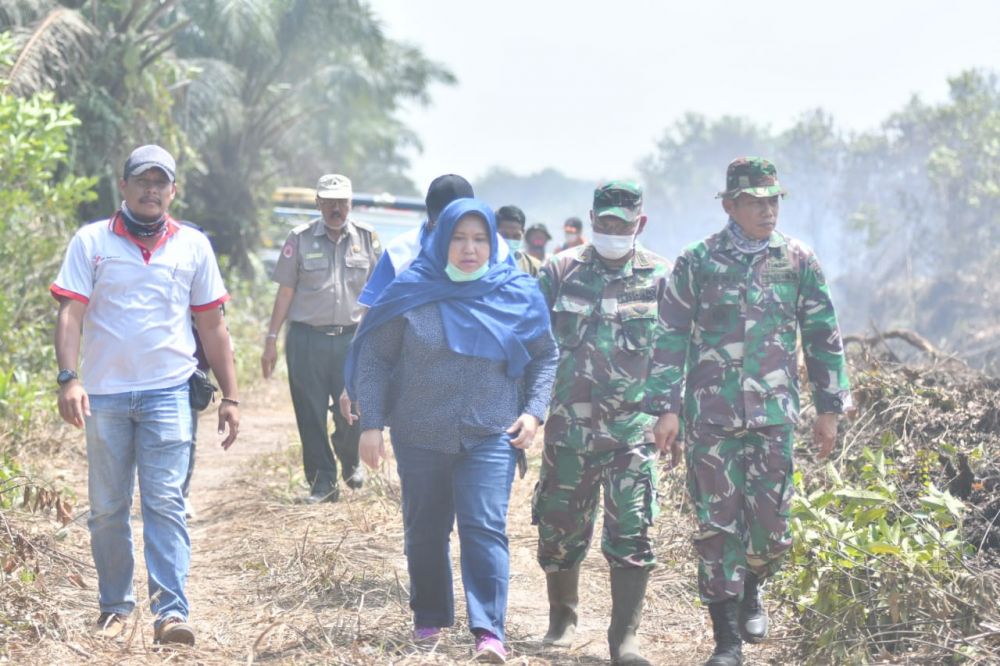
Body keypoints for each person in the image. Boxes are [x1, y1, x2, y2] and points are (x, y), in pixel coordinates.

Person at [659, 158, 853, 666]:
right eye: (755, 201)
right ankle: (726, 642)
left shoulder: (797, 260)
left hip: (772, 416)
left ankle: (751, 588)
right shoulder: (697, 261)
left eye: (774, 200)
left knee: (772, 527)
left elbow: (822, 336)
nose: (767, 210)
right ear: (729, 206)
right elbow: (671, 337)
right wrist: (667, 410)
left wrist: (829, 410)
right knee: (715, 524)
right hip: (711, 417)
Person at [346, 198, 558, 663]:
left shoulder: (516, 291)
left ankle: (488, 632)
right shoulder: (411, 291)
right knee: (425, 529)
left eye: (480, 239)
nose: (469, 248)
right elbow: (376, 360)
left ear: (493, 242)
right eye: (459, 238)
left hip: (491, 431)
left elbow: (544, 355)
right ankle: (430, 619)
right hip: (419, 431)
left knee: (484, 528)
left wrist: (535, 412)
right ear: (441, 240)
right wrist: (372, 425)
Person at [51, 144, 240, 645]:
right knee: (108, 508)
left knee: (164, 503)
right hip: (106, 397)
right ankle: (115, 607)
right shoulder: (91, 241)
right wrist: (69, 377)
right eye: (143, 180)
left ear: (173, 191)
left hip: (169, 395)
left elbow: (213, 326)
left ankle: (171, 613)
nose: (152, 189)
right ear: (125, 186)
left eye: (161, 182)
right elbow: (70, 311)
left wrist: (232, 397)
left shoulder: (193, 246)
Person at [533, 181, 676, 665]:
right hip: (568, 429)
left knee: (633, 531)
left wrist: (671, 411)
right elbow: (532, 343)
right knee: (559, 527)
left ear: (641, 223)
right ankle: (562, 619)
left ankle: (625, 638)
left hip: (632, 432)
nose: (613, 230)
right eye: (605, 222)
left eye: (623, 223)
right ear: (591, 219)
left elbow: (676, 352)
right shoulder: (560, 270)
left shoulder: (661, 276)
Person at [261, 174, 381, 503]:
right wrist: (271, 338)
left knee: (352, 409)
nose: (335, 208)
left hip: (352, 340)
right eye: (328, 202)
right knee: (309, 412)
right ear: (318, 204)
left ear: (351, 203)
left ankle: (350, 456)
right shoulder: (299, 239)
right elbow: (286, 292)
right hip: (306, 339)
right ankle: (322, 483)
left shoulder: (368, 239)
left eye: (341, 202)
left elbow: (378, 293)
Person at [496, 204, 542, 277]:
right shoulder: (484, 264)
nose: (510, 240)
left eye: (516, 236)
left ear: (523, 233)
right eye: (504, 235)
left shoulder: (533, 266)